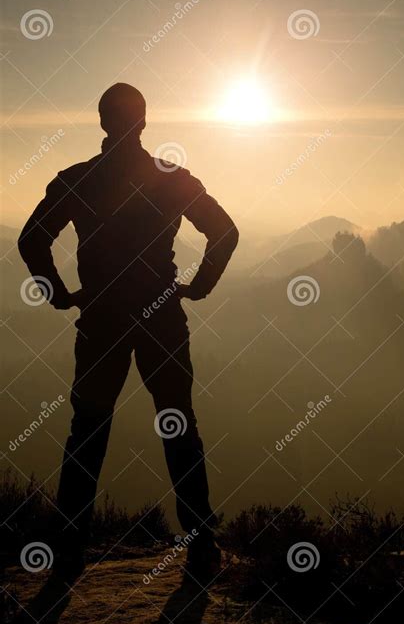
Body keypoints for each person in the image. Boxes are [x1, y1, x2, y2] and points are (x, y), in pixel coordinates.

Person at [18, 83, 239, 579]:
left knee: (88, 431)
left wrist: (58, 291)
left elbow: (32, 238)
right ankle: (201, 544)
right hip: (161, 317)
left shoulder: (78, 180)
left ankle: (70, 549)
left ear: (102, 122)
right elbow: (225, 231)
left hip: (101, 321)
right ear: (143, 121)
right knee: (178, 423)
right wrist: (198, 286)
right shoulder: (171, 178)